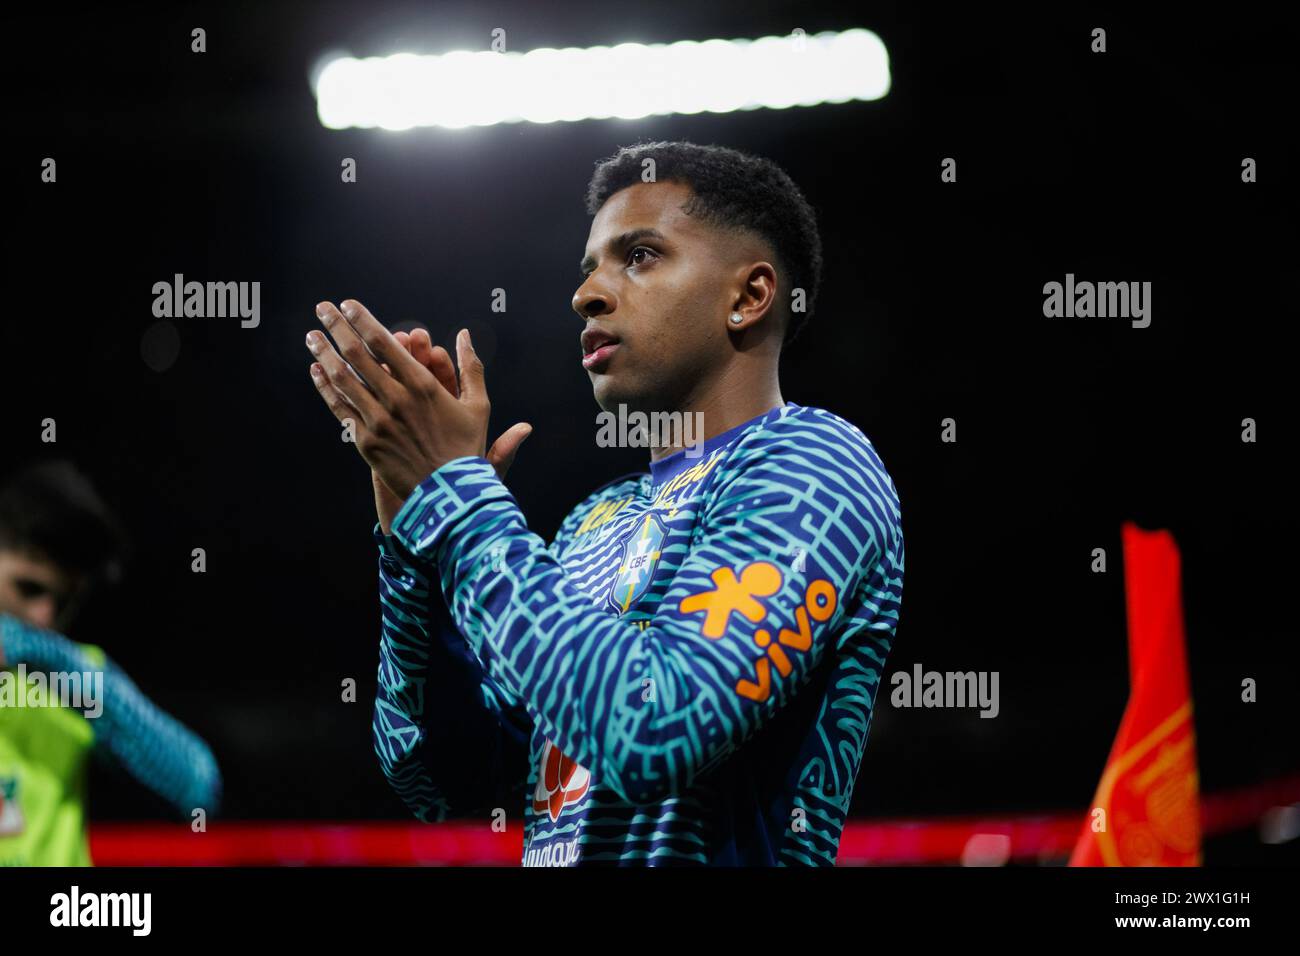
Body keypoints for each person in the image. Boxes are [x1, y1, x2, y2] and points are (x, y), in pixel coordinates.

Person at [307, 140, 904, 865]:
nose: (585, 294)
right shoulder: (593, 523)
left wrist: (460, 504)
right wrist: (414, 548)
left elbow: (652, 732)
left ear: (748, 297)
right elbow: (437, 782)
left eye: (641, 255)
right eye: (589, 268)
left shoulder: (817, 464)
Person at [0, 461, 222, 866]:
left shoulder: (74, 676)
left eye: (63, 601)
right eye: (28, 588)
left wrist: (38, 652)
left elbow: (197, 784)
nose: (44, 617)